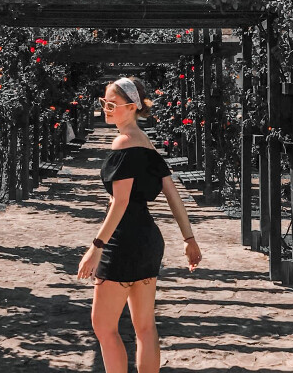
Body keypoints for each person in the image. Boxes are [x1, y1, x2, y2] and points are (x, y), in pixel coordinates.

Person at [77, 76, 202, 373]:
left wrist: (96, 247)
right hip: (148, 240)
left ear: (132, 107)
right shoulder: (148, 146)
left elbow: (120, 203)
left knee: (103, 326)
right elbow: (173, 195)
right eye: (103, 102)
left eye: (112, 104)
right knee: (145, 326)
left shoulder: (123, 143)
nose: (106, 109)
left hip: (123, 241)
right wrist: (189, 239)